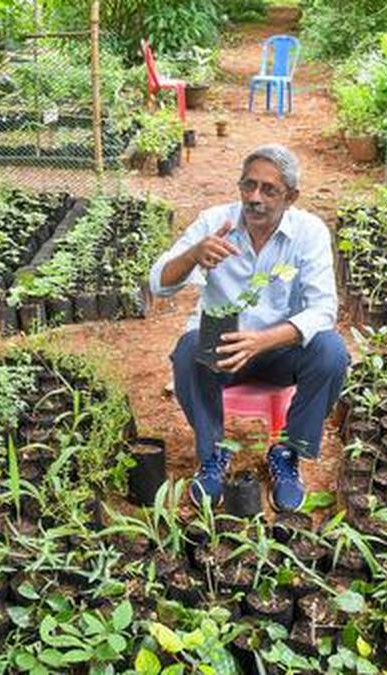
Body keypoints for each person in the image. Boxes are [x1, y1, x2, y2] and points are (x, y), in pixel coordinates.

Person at [148, 144, 349, 512]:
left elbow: (323, 309)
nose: (254, 198)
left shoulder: (309, 233)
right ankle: (213, 454)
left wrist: (263, 340)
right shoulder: (215, 222)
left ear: (291, 196)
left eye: (269, 190)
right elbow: (158, 282)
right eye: (248, 186)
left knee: (331, 352)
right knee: (190, 348)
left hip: (281, 348)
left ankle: (288, 452)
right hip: (224, 348)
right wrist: (194, 255)